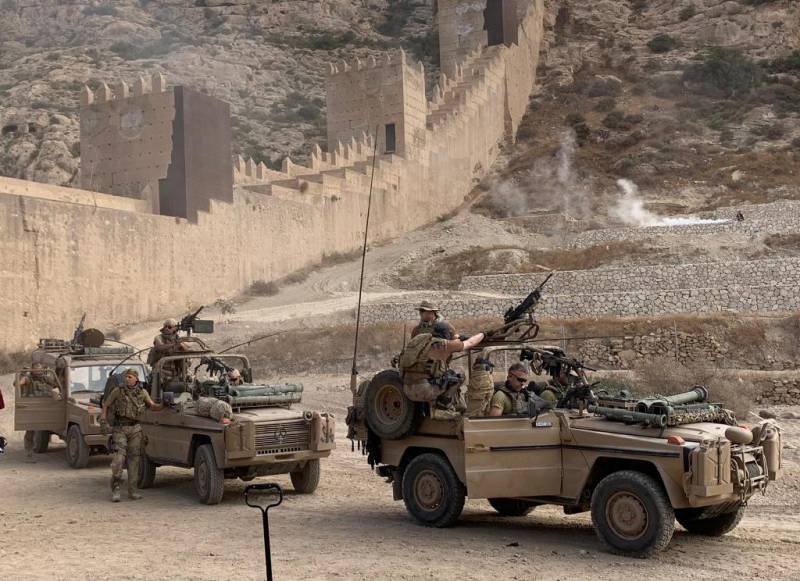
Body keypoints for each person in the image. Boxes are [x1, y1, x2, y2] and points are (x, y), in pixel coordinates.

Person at [100, 368, 163, 502]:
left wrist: (164, 405)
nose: (127, 379)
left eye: (130, 377)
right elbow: (106, 405)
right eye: (126, 377)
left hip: (135, 429)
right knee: (118, 460)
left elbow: (152, 406)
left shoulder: (142, 392)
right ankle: (116, 488)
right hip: (120, 428)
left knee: (134, 461)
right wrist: (104, 420)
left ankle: (132, 491)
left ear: (136, 379)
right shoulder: (118, 391)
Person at [399, 321, 485, 419]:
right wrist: (483, 334)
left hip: (407, 390)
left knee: (435, 375)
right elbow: (471, 342)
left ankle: (438, 406)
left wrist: (457, 337)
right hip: (425, 392)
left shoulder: (421, 342)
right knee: (459, 375)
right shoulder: (444, 345)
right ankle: (442, 405)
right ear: (446, 335)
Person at [18, 363, 61, 462]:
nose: (38, 372)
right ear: (32, 370)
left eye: (40, 370)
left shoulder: (45, 378)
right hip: (33, 407)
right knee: (30, 431)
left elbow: (57, 385)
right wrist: (22, 375)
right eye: (36, 370)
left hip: (46, 407)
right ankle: (29, 454)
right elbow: (18, 384)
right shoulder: (28, 379)